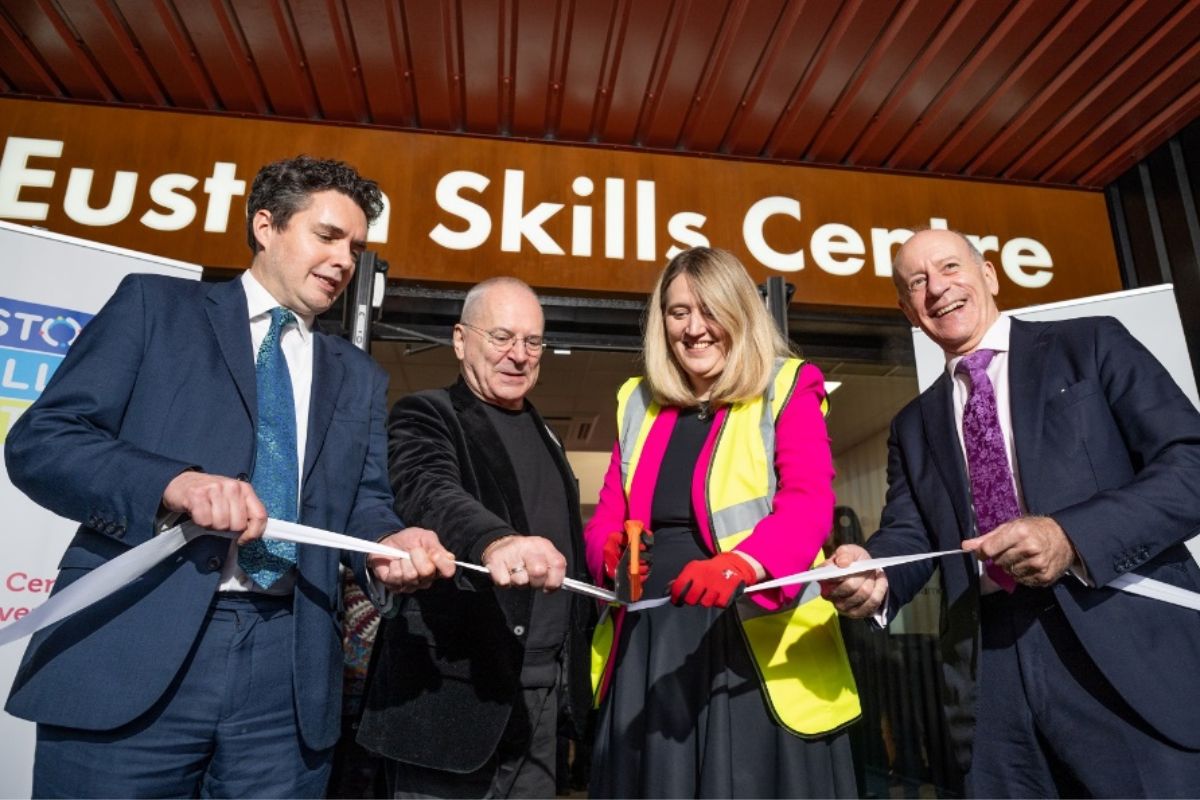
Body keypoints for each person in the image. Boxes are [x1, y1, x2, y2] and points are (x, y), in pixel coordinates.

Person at [3, 155, 457, 798]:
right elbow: (42, 443)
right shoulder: (153, 307)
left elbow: (364, 503)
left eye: (355, 247)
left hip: (287, 671)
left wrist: (393, 542)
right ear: (265, 225)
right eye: (327, 236)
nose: (344, 260)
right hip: (131, 644)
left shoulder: (358, 376)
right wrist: (174, 484)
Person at [822, 228, 1200, 797]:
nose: (937, 289)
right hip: (990, 672)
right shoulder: (913, 424)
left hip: (1120, 641)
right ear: (907, 310)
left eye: (949, 267)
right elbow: (910, 530)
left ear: (990, 275)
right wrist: (874, 573)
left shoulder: (1091, 344)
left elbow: (1189, 466)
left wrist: (1069, 535)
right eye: (917, 283)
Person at [584, 247, 861, 798]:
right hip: (652, 641)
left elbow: (808, 502)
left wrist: (745, 563)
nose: (694, 328)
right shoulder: (635, 401)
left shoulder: (786, 385)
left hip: (753, 641)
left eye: (708, 310)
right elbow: (607, 513)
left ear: (740, 311)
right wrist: (609, 553)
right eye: (678, 311)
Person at [356, 277, 593, 798]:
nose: (519, 355)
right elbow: (429, 490)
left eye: (532, 342)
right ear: (461, 340)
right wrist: (495, 541)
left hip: (540, 702)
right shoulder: (427, 412)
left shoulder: (547, 434)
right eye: (502, 337)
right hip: (452, 701)